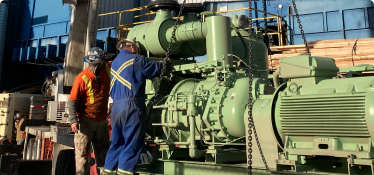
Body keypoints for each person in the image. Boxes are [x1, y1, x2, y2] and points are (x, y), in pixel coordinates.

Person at [103, 39, 170, 175]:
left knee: (117, 143)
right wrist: (166, 63)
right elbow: (155, 69)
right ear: (132, 47)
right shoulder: (137, 59)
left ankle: (107, 171)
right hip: (131, 106)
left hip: (116, 108)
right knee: (131, 142)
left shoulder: (115, 62)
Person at [68, 47, 111, 175]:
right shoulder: (82, 78)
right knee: (82, 157)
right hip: (85, 122)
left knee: (104, 155)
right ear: (96, 64)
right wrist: (73, 121)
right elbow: (72, 101)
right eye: (102, 63)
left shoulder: (107, 70)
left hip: (101, 122)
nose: (104, 64)